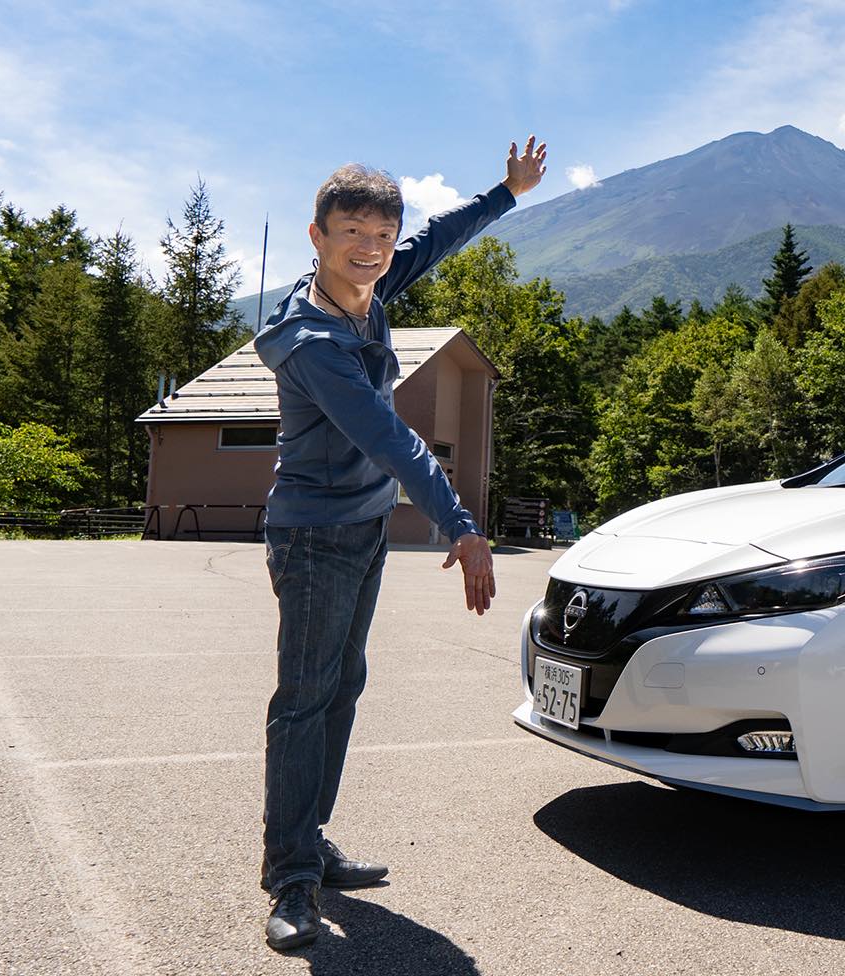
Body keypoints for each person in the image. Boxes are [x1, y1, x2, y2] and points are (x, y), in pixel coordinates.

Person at [251, 137, 546, 951]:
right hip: (313, 536)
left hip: (365, 525)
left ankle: (309, 838)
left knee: (343, 689)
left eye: (381, 236)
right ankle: (291, 879)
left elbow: (434, 242)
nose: (372, 250)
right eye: (353, 234)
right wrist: (461, 525)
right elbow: (394, 440)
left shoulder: (369, 291)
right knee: (306, 699)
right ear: (318, 237)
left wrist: (506, 192)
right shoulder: (312, 342)